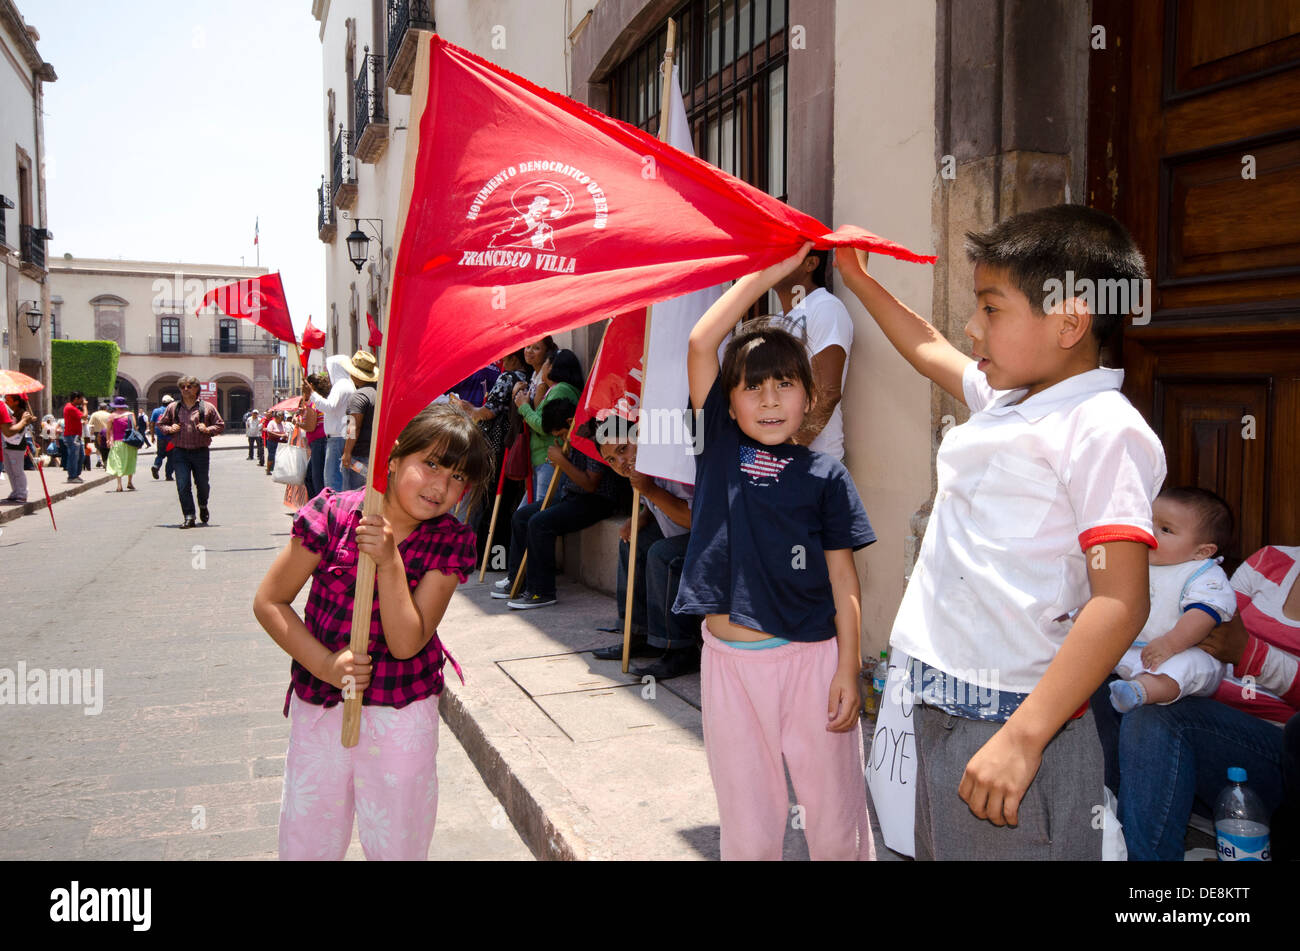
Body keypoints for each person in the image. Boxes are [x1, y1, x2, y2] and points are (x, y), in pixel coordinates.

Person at [838, 204, 1165, 860]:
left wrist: (1022, 737)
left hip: (1012, 718)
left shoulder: (1101, 426)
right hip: (941, 701)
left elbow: (1121, 600)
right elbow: (929, 346)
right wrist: (856, 276)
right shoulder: (1013, 397)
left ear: (1070, 321)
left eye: (991, 308)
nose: (971, 326)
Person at [673, 245, 876, 861]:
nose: (767, 401)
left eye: (784, 386)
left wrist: (848, 668)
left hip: (811, 661)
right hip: (730, 666)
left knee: (835, 814)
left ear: (810, 396)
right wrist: (765, 269)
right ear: (726, 403)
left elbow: (844, 580)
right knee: (747, 818)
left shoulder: (825, 476)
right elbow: (702, 342)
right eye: (752, 388)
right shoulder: (719, 452)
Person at [252, 403, 494, 860]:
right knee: (309, 838)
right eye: (432, 464)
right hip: (322, 706)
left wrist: (389, 560)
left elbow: (407, 643)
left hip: (402, 713)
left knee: (398, 840)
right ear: (395, 456)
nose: (442, 486)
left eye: (459, 477)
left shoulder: (450, 540)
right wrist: (326, 665)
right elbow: (269, 601)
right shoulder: (332, 513)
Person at [1114, 544, 1300, 860]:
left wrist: (1249, 655)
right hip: (1207, 711)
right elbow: (1215, 632)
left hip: (1280, 754)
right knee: (1108, 687)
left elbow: (1233, 643)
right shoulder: (1272, 560)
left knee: (1157, 713)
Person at [583, 415, 700, 679]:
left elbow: (696, 520)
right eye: (611, 459)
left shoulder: (672, 463)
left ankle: (680, 649)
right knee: (633, 543)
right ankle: (639, 633)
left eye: (623, 449)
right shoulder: (641, 469)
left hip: (711, 538)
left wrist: (650, 490)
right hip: (680, 532)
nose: (621, 463)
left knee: (662, 554)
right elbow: (653, 503)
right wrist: (643, 517)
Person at [1107, 488, 1237, 712]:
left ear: (1202, 551)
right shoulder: (1136, 561)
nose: (1150, 532)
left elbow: (1204, 614)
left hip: (1182, 650)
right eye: (1148, 523)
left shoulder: (1203, 574)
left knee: (1186, 665)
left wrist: (1171, 643)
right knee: (1090, 644)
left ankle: (1140, 691)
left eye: (1165, 529)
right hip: (1135, 649)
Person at [494, 400, 622, 609]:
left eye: (562, 433)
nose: (562, 439)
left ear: (571, 422)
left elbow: (590, 484)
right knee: (521, 516)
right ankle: (517, 580)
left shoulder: (593, 438)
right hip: (571, 496)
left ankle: (541, 592)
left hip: (596, 501)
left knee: (539, 523)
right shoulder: (573, 438)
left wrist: (562, 463)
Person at [766, 247, 854, 460]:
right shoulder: (775, 321)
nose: (771, 259)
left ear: (811, 264)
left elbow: (828, 393)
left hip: (813, 464)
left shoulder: (825, 307)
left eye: (784, 252)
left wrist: (785, 452)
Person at [455, 350, 530, 567]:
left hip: (497, 446)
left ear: (513, 359)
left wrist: (468, 408)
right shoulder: (527, 378)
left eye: (505, 358)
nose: (502, 362)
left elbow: (488, 412)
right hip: (512, 443)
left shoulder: (507, 377)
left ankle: (490, 558)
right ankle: (499, 559)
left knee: (492, 502)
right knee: (504, 502)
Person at [514, 348, 582, 504]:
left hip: (550, 460)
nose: (542, 367)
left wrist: (524, 406)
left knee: (538, 513)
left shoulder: (561, 389)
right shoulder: (552, 390)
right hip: (542, 460)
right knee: (524, 516)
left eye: (545, 361)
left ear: (552, 366)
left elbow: (544, 426)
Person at [157, 374, 225, 529]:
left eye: (189, 386)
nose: (185, 389)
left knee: (202, 485)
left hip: (201, 451)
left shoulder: (207, 407)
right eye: (182, 387)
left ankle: (202, 504)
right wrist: (169, 428)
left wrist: (208, 429)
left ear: (196, 388)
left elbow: (220, 425)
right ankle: (189, 516)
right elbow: (160, 424)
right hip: (180, 452)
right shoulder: (173, 407)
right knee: (182, 485)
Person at [313, 355, 359, 493]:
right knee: (341, 478)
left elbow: (330, 406)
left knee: (332, 480)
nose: (327, 374)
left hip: (337, 436)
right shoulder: (348, 384)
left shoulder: (341, 386)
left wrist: (313, 395)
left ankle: (335, 511)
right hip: (342, 434)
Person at [341, 351, 380, 491]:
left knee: (353, 497)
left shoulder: (358, 396)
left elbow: (353, 426)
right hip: (376, 455)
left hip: (359, 455)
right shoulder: (378, 394)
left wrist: (346, 452)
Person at [1, 393, 36, 503]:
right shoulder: (8, 411)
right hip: (6, 445)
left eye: (8, 400)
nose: (6, 402)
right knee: (9, 470)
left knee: (17, 471)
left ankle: (22, 493)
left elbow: (18, 430)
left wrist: (23, 420)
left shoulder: (23, 413)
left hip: (16, 446)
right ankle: (15, 491)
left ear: (16, 401)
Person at [301, 374, 330, 501]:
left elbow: (311, 426)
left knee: (315, 478)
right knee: (313, 476)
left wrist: (299, 423)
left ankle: (318, 506)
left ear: (310, 386)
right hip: (321, 441)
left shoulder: (314, 403)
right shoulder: (322, 400)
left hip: (318, 443)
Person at [105, 395, 139, 492]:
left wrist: (108, 440)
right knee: (130, 460)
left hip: (117, 442)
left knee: (118, 461)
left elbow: (108, 430)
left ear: (115, 405)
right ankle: (129, 482)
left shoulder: (112, 416)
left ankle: (119, 485)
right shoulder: (130, 414)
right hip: (130, 441)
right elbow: (135, 427)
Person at [62, 391, 87, 483]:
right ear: (76, 398)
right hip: (71, 436)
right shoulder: (70, 408)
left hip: (75, 435)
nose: (82, 401)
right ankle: (72, 476)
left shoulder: (72, 407)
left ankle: (75, 475)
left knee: (80, 455)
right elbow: (84, 416)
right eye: (81, 399)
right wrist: (84, 406)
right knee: (74, 456)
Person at [149, 395, 176, 480]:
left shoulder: (156, 411)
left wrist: (152, 436)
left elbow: (152, 424)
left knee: (160, 454)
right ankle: (168, 475)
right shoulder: (173, 411)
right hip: (171, 439)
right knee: (171, 457)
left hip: (160, 438)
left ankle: (156, 466)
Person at [88, 400, 112, 469]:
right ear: (106, 408)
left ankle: (100, 460)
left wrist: (91, 433)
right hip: (107, 433)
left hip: (97, 433)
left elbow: (90, 424)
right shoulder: (109, 415)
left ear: (99, 408)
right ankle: (106, 461)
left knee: (98, 447)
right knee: (107, 448)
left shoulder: (94, 414)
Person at [264, 411, 289, 476]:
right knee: (272, 456)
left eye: (282, 418)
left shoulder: (282, 423)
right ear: (277, 417)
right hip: (272, 442)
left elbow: (285, 431)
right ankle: (268, 469)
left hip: (281, 442)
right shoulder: (271, 423)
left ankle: (279, 471)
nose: (281, 420)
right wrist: (279, 435)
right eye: (280, 418)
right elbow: (269, 432)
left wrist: (285, 435)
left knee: (281, 457)